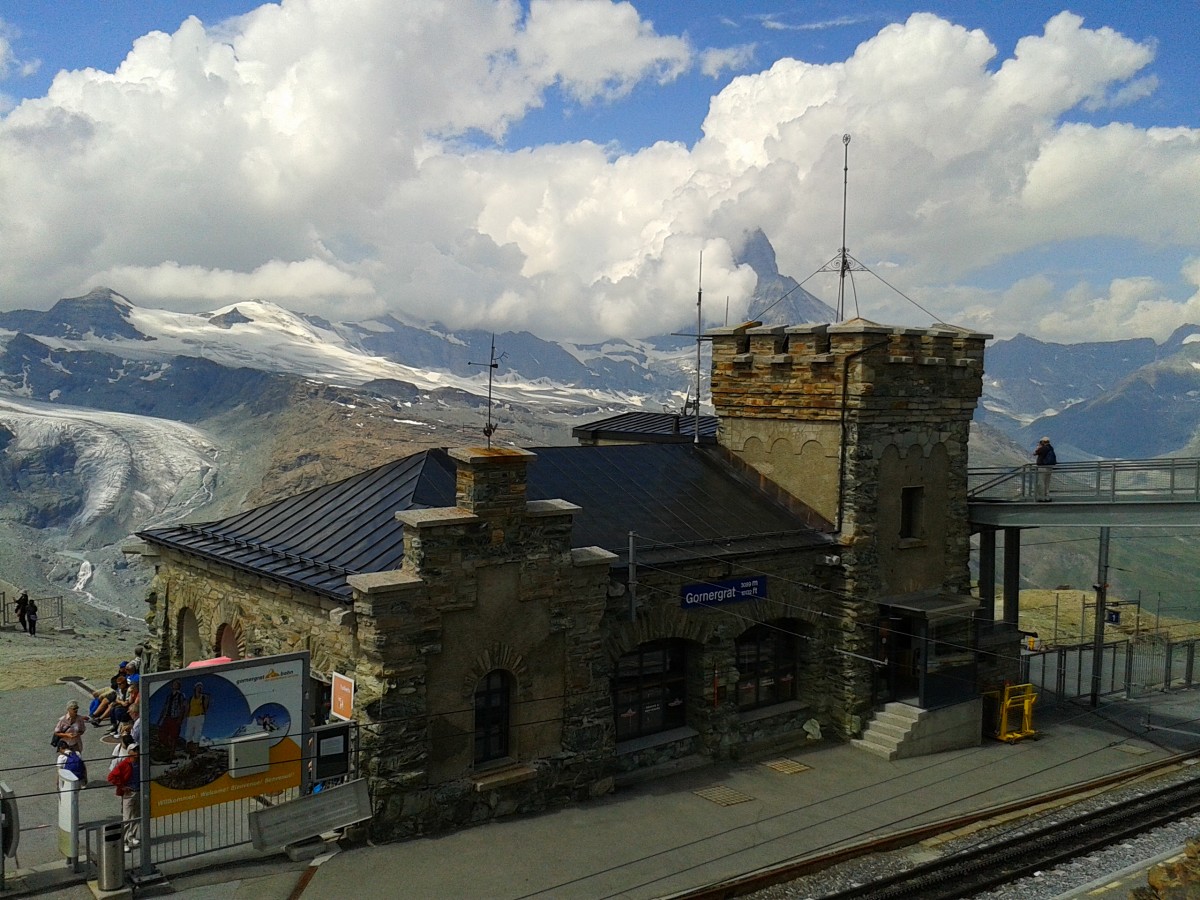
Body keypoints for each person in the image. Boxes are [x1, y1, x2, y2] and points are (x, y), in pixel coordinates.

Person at [107, 738, 140, 852]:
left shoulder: (141, 763)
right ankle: (124, 841)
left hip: (139, 792)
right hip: (129, 794)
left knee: (136, 816)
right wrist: (122, 787)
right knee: (127, 818)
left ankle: (132, 837)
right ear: (129, 752)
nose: (137, 752)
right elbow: (111, 777)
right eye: (134, 750)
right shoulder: (124, 764)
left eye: (137, 749)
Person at [157, 679, 188, 757]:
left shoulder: (181, 695)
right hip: (167, 717)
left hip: (175, 718)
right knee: (162, 734)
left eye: (176, 684)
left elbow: (183, 707)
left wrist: (180, 719)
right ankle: (167, 750)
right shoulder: (169, 696)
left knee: (174, 736)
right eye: (173, 684)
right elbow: (165, 707)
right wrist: (160, 718)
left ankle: (171, 754)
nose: (174, 685)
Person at [184, 682, 210, 755]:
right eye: (198, 687)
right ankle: (189, 751)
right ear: (195, 688)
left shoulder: (204, 697)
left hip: (199, 716)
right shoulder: (190, 698)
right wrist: (185, 717)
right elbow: (187, 708)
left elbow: (206, 707)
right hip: (191, 717)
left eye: (201, 687)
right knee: (188, 734)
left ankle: (195, 752)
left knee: (197, 735)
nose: (200, 688)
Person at [1033, 436, 1057, 502]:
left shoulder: (1043, 448)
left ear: (1043, 442)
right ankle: (1047, 496)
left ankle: (1042, 497)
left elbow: (1035, 453)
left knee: (1041, 482)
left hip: (1042, 467)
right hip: (1049, 467)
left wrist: (1039, 447)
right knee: (1047, 482)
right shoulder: (1050, 448)